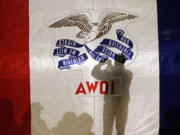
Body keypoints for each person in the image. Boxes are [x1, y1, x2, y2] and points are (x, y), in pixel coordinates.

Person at [92, 54, 133, 135]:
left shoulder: (109, 72)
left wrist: (101, 64)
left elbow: (94, 73)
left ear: (115, 61)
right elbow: (119, 73)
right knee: (120, 129)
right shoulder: (129, 73)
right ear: (124, 62)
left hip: (110, 103)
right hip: (122, 104)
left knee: (107, 128)